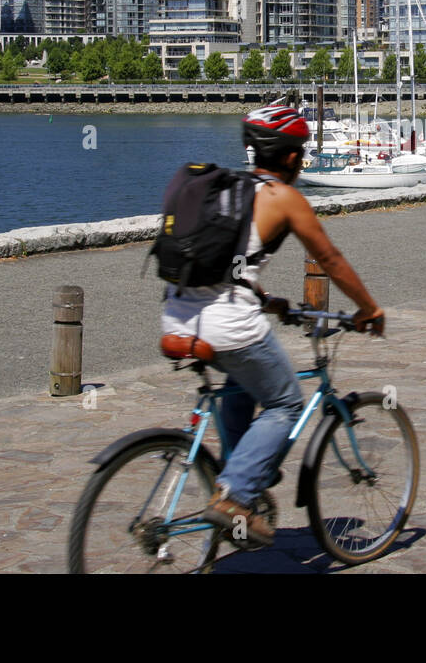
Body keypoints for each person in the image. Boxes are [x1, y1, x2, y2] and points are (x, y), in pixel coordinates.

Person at [161, 105, 384, 549]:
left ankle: (237, 469)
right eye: (300, 152)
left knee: (243, 385)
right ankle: (236, 496)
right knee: (285, 403)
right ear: (289, 157)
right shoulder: (282, 197)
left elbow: (231, 263)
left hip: (178, 310)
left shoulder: (233, 188)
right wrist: (368, 309)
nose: (302, 161)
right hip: (228, 325)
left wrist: (266, 301)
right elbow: (331, 260)